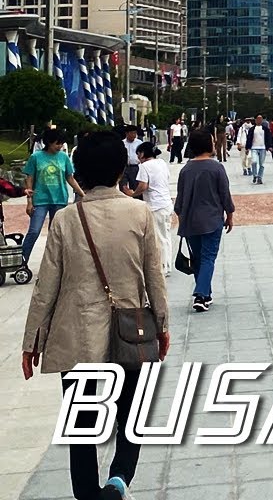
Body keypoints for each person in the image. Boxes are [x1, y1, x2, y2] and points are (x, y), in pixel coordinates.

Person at [20, 131, 169, 500]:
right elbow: (154, 276)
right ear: (121, 170)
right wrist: (162, 325)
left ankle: (87, 493)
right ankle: (118, 481)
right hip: (129, 331)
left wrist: (32, 341)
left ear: (80, 172)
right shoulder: (139, 213)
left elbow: (46, 285)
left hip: (76, 333)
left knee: (82, 421)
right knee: (131, 413)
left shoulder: (66, 219)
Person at [175, 131, 235, 312]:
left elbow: (180, 199)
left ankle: (206, 294)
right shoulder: (216, 168)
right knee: (208, 258)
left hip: (190, 221)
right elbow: (224, 194)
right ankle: (200, 294)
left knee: (198, 258)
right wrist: (229, 214)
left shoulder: (186, 170)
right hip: (211, 219)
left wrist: (181, 219)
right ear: (208, 145)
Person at [21, 129, 84, 262]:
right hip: (40, 200)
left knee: (56, 233)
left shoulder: (63, 157)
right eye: (57, 143)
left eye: (61, 143)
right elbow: (29, 178)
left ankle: (55, 262)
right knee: (34, 231)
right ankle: (22, 261)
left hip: (59, 199)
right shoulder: (36, 157)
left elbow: (70, 178)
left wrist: (82, 194)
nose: (60, 146)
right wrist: (29, 201)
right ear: (49, 142)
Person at [130, 142, 174, 275]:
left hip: (155, 205)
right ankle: (167, 264)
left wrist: (133, 194)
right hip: (166, 203)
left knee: (158, 237)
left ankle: (163, 266)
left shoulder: (144, 166)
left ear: (143, 153)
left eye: (138, 154)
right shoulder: (161, 163)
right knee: (166, 235)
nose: (138, 157)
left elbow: (143, 186)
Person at [245, 114, 270, 185]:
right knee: (254, 161)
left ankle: (260, 177)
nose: (260, 120)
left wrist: (269, 146)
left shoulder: (265, 129)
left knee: (262, 164)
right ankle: (255, 175)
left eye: (261, 119)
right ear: (255, 120)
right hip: (254, 148)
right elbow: (249, 138)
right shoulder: (252, 129)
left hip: (262, 148)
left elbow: (268, 138)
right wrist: (247, 148)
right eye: (258, 119)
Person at [121, 125, 143, 194]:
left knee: (135, 186)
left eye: (135, 133)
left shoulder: (139, 143)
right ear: (127, 133)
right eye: (132, 133)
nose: (134, 135)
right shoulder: (122, 143)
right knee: (123, 186)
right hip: (124, 167)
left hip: (135, 167)